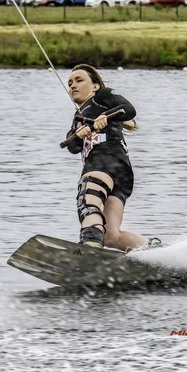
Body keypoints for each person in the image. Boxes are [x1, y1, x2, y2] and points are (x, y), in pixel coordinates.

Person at [63, 64, 158, 251]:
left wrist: (104, 116)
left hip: (106, 160)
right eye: (70, 83)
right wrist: (77, 134)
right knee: (111, 236)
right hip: (120, 174)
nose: (73, 85)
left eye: (79, 80)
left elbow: (129, 109)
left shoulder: (102, 97)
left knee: (88, 196)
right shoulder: (79, 117)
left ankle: (90, 244)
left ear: (95, 85)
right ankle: (157, 250)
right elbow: (73, 147)